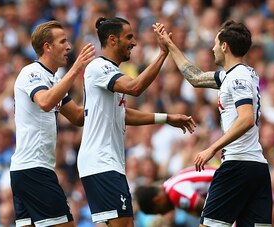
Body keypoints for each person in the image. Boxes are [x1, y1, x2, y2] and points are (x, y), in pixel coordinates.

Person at [77, 17, 196, 227]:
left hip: (101, 162)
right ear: (112, 40)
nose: (134, 43)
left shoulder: (109, 72)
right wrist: (163, 54)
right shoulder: (99, 67)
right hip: (102, 162)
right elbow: (135, 87)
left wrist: (166, 118)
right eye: (129, 37)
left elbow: (122, 114)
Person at [153, 20, 272, 226]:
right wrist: (170, 45)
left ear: (225, 46)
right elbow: (196, 78)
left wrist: (212, 148)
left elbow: (246, 119)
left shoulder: (238, 77)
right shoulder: (237, 74)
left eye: (216, 43)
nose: (213, 48)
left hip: (237, 164)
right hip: (257, 168)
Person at [10, 20, 95, 227]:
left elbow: (76, 116)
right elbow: (45, 102)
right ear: (47, 47)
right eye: (63, 41)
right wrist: (76, 69)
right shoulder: (32, 72)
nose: (69, 47)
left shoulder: (53, 80)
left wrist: (100, 95)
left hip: (27, 171)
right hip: (34, 170)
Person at [135, 166, 216, 216]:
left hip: (225, 183)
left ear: (157, 200)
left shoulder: (174, 193)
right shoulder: (171, 182)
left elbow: (207, 208)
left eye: (159, 211)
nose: (163, 214)